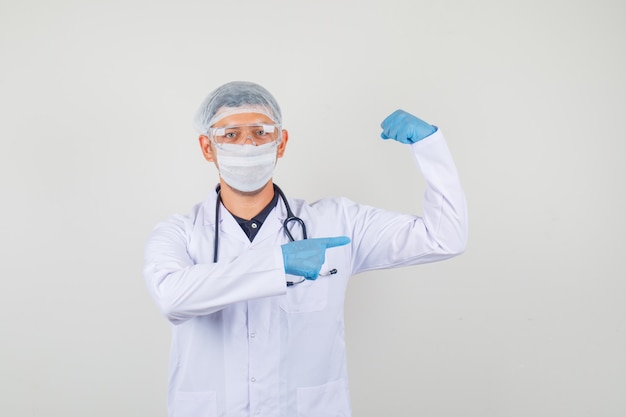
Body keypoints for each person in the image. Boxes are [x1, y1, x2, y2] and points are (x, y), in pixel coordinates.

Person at [143, 80, 468, 417]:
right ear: (207, 147)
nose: (248, 144)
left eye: (261, 132)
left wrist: (431, 149)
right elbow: (171, 298)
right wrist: (278, 264)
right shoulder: (179, 233)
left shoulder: (338, 222)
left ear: (281, 142)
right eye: (230, 135)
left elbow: (445, 237)